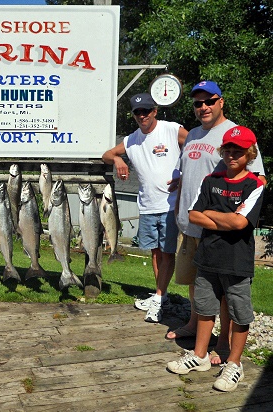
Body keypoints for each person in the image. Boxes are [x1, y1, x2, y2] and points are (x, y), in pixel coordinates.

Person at [168, 81, 267, 366]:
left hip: (219, 232)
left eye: (209, 101)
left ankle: (222, 342)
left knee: (223, 289)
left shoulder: (235, 135)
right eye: (197, 103)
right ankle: (193, 323)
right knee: (198, 284)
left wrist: (228, 219)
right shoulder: (193, 135)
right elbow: (188, 175)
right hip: (190, 223)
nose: (203, 107)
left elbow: (257, 179)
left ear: (221, 101)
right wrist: (180, 209)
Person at [102, 93, 188, 323]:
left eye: (146, 111)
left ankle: (159, 298)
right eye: (137, 113)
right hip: (147, 205)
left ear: (155, 111)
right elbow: (107, 154)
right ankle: (162, 295)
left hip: (170, 204)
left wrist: (185, 175)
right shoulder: (131, 140)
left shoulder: (171, 129)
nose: (142, 116)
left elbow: (196, 147)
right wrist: (119, 160)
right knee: (155, 253)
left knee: (167, 252)